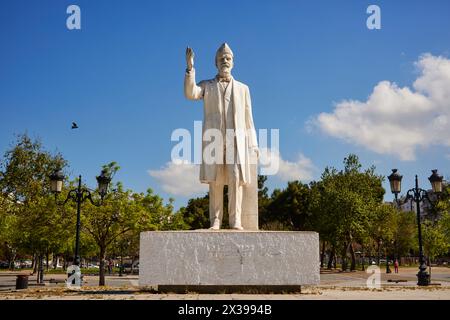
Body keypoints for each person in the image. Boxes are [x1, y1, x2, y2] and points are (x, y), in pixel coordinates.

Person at [184, 43, 258, 230]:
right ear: (215, 63)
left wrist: (253, 144)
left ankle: (235, 220)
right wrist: (190, 68)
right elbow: (191, 93)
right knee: (215, 181)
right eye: (221, 58)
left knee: (235, 179)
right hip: (214, 139)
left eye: (228, 58)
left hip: (236, 140)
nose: (225, 61)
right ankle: (215, 220)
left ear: (233, 62)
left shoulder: (243, 89)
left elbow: (249, 118)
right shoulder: (207, 85)